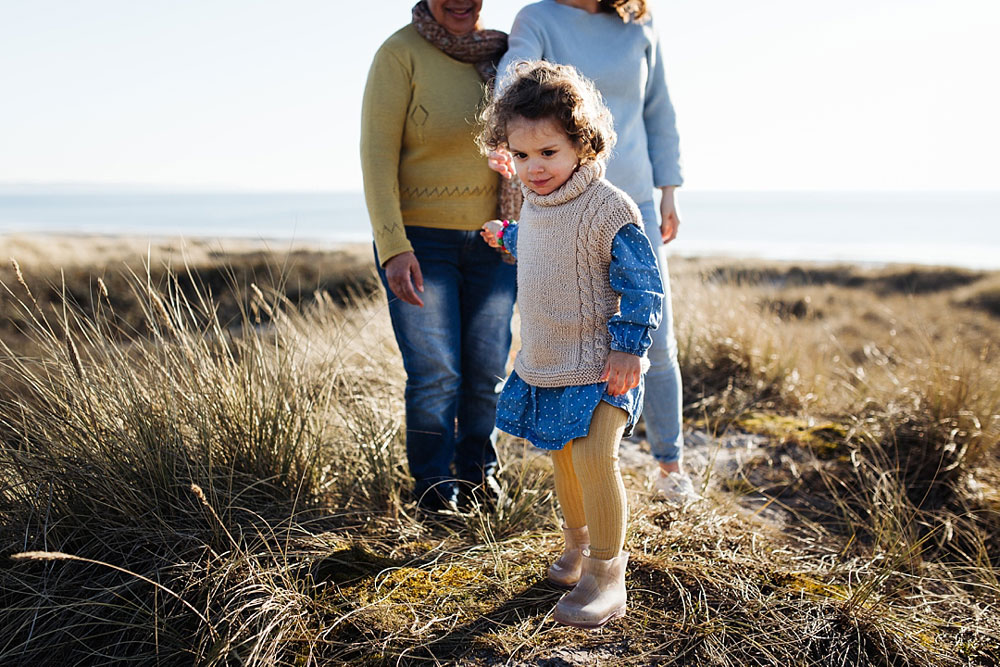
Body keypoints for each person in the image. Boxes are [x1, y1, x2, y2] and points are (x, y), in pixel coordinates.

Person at [478, 61, 663, 629]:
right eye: (521, 155)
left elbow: (643, 283)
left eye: (549, 153)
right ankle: (579, 546)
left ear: (582, 144)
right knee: (562, 459)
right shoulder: (535, 205)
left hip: (602, 365)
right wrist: (507, 236)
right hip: (546, 360)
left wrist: (630, 347)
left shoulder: (609, 209)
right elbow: (544, 247)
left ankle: (609, 575)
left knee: (593, 458)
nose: (534, 168)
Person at [491, 0, 697, 503]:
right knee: (570, 331)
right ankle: (587, 450)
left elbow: (658, 108)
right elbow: (512, 77)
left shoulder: (638, 25)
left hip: (636, 199)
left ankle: (670, 466)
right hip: (564, 202)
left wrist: (668, 190)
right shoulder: (538, 18)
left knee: (657, 338)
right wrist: (510, 145)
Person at [360, 0, 516, 513]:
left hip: (497, 240)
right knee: (436, 373)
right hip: (421, 242)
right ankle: (431, 489)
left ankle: (479, 478)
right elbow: (376, 158)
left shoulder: (505, 58)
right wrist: (393, 246)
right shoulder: (399, 54)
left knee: (487, 369)